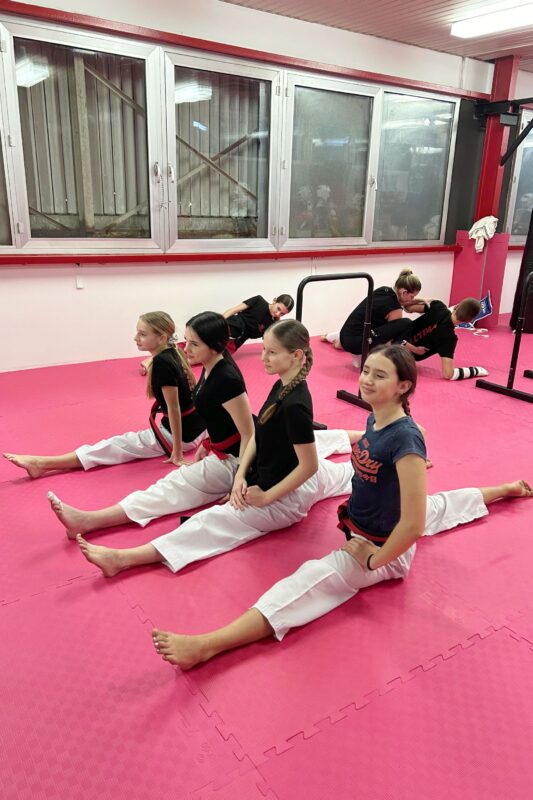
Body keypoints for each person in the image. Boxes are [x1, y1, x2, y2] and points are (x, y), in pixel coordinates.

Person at [146, 344, 532, 670]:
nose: (367, 380)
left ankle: (208, 645)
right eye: (366, 371)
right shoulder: (376, 419)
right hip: (371, 518)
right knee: (445, 505)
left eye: (380, 375)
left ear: (404, 386)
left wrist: (374, 560)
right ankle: (508, 488)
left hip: (381, 545)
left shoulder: (405, 441)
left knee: (308, 581)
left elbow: (413, 525)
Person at [70, 320, 356, 578]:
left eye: (271, 352)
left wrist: (266, 495)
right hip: (269, 472)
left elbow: (309, 466)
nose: (263, 358)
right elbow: (258, 433)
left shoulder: (295, 404)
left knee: (212, 521)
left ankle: (122, 559)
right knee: (347, 469)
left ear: (296, 355)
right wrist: (240, 476)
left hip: (284, 496)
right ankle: (369, 442)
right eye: (263, 350)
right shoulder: (282, 386)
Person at [47, 311, 255, 537]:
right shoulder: (211, 364)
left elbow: (249, 433)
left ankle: (88, 521)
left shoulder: (227, 379)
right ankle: (87, 518)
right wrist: (208, 442)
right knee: (172, 484)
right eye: (187, 341)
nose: (186, 348)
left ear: (215, 345)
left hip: (235, 461)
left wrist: (240, 478)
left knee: (171, 487)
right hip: (222, 453)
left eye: (194, 344)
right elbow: (221, 416)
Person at [3, 312, 207, 477]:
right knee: (117, 444)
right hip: (197, 428)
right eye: (137, 332)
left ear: (161, 338)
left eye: (142, 334)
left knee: (113, 446)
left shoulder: (162, 362)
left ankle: (41, 464)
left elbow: (174, 408)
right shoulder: (172, 352)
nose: (135, 338)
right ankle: (42, 463)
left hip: (178, 436)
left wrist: (177, 453)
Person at [321, 269, 421, 363]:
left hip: (346, 333)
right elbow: (393, 341)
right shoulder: (395, 310)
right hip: (356, 344)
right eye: (412, 296)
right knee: (405, 324)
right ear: (404, 292)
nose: (412, 299)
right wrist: (415, 350)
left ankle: (335, 339)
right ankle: (358, 354)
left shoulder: (383, 290)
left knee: (374, 325)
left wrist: (421, 300)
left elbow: (402, 302)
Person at [402, 297, 489, 381]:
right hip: (402, 357)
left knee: (404, 322)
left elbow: (407, 307)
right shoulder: (449, 339)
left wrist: (424, 300)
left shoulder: (438, 307)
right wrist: (475, 371)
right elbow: (448, 374)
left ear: (456, 306)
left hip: (395, 340)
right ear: (469, 321)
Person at [223, 294, 294, 352]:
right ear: (274, 301)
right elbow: (234, 310)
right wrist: (219, 322)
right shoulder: (259, 301)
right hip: (232, 325)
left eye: (282, 314)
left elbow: (273, 341)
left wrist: (277, 322)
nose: (278, 314)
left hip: (236, 342)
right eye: (278, 308)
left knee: (223, 357)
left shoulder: (272, 325)